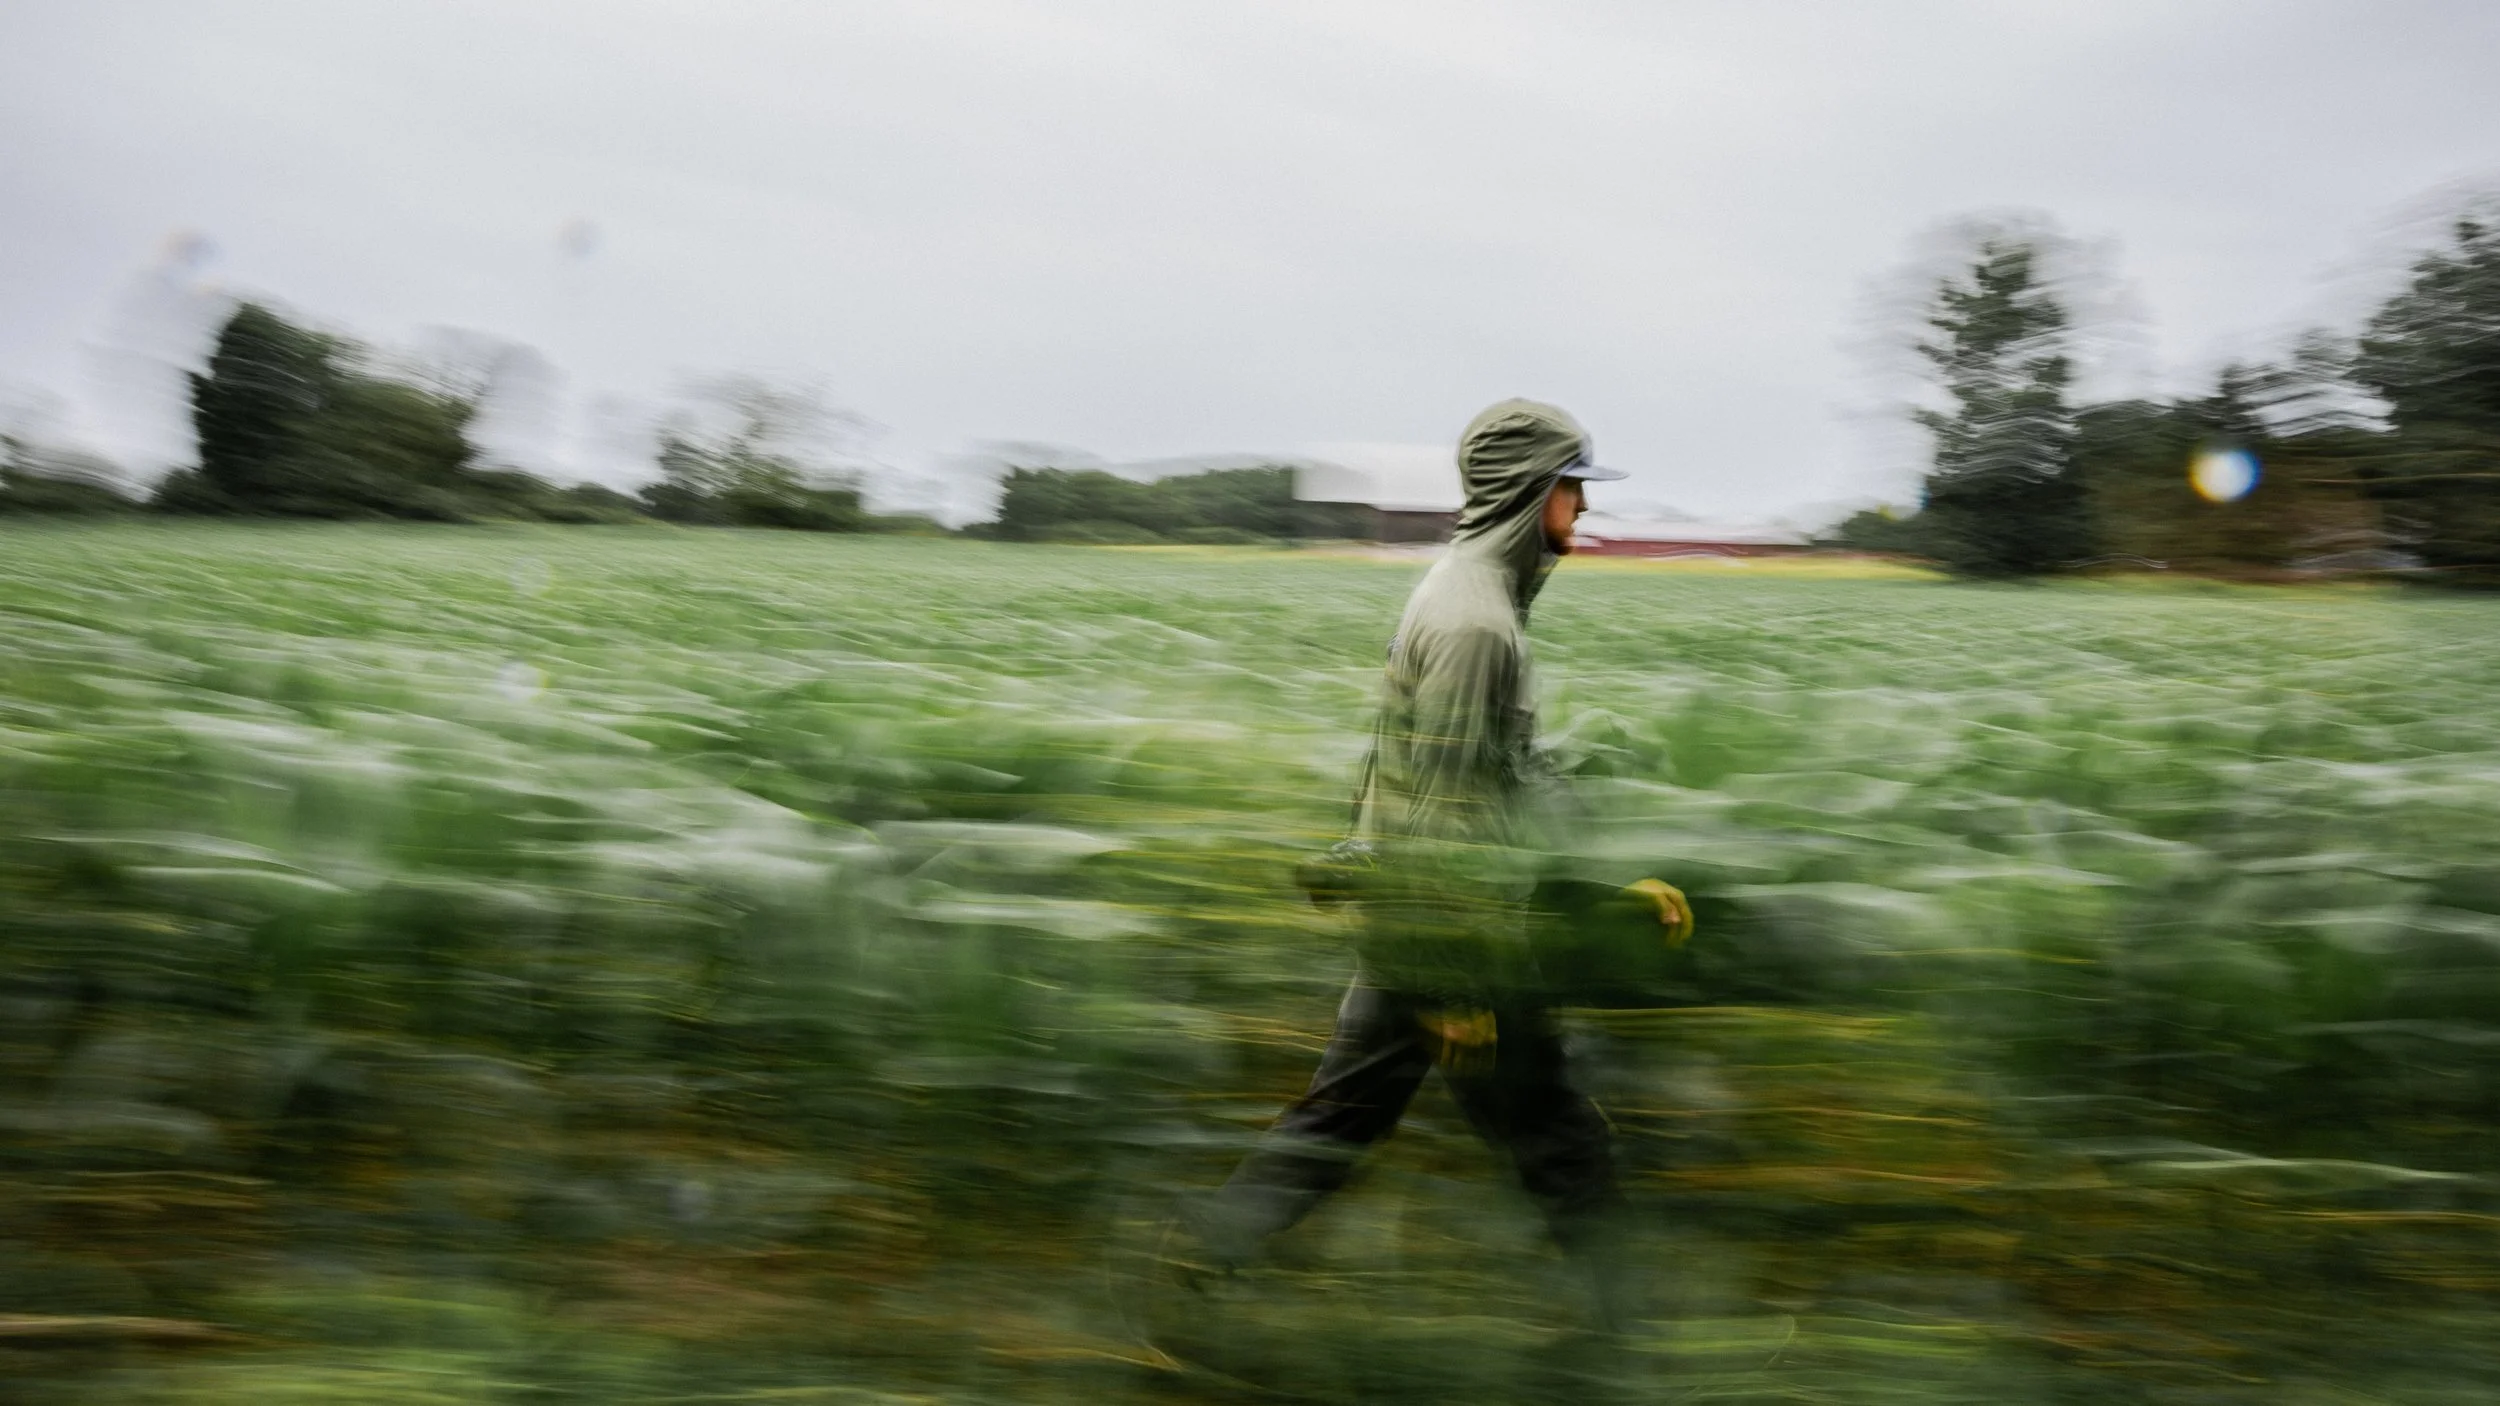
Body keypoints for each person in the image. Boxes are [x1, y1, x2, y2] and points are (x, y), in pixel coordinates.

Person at [1179, 399, 1693, 1330]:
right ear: (1530, 492)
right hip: (1458, 928)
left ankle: (1188, 1276)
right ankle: (1639, 1339)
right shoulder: (1474, 626)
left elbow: (1488, 784)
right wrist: (1449, 983)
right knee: (1557, 1138)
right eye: (1574, 486)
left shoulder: (1476, 598)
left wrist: (1596, 892)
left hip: (1428, 916)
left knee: (1345, 1118)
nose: (1584, 507)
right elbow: (1445, 811)